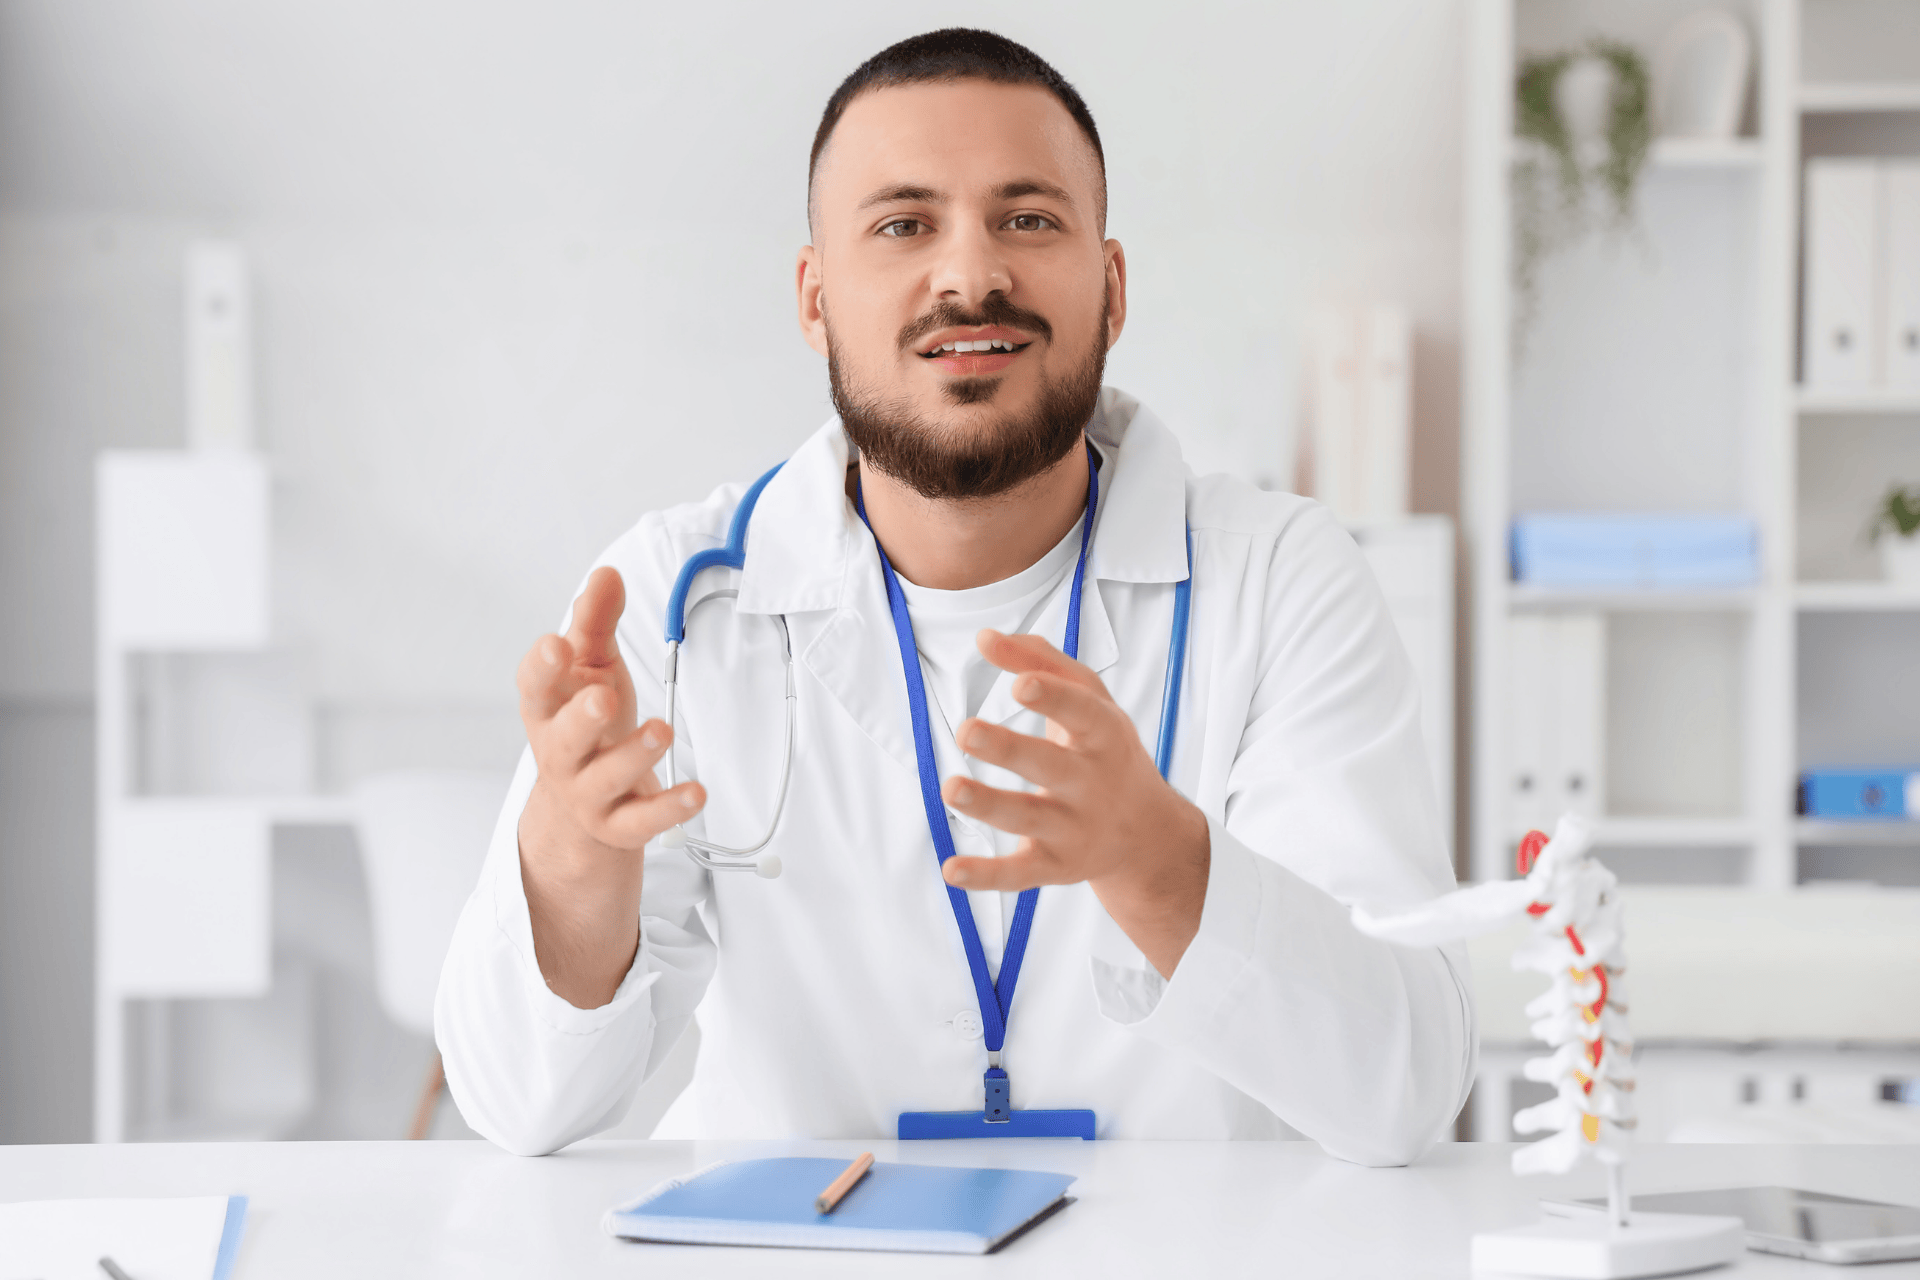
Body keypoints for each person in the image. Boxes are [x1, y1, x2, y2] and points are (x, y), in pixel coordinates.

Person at [435, 28, 1472, 1165]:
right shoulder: (673, 604)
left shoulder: (1279, 579)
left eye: (1027, 219)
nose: (971, 276)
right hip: (790, 1244)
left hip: (1179, 1245)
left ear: (1112, 288)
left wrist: (1155, 859)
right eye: (903, 225)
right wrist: (574, 852)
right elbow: (519, 1105)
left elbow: (1405, 1087)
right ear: (815, 299)